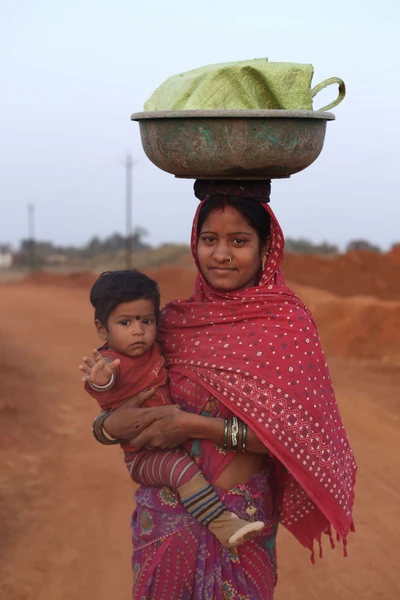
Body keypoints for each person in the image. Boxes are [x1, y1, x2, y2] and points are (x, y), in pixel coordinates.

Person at [91, 180, 357, 600]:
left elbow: (300, 441)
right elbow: (124, 394)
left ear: (266, 247)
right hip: (164, 516)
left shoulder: (286, 325)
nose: (221, 254)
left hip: (241, 519)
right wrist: (106, 427)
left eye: (239, 241)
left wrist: (192, 425)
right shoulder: (171, 322)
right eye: (209, 239)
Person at [80, 269, 265, 547]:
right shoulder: (113, 359)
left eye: (146, 321)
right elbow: (107, 377)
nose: (138, 330)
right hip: (144, 455)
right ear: (101, 330)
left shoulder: (159, 344)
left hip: (181, 448)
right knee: (182, 472)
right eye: (125, 322)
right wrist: (103, 379)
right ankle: (223, 524)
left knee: (183, 468)